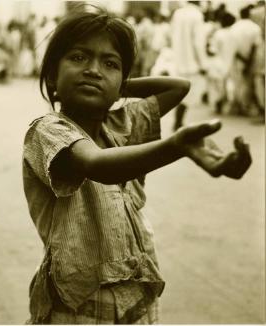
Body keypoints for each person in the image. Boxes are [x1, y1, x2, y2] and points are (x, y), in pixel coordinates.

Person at [22, 8, 252, 325]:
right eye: (78, 58)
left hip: (135, 300)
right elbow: (98, 164)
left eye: (109, 63)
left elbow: (178, 87)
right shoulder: (48, 129)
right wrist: (176, 146)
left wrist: (118, 86)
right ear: (51, 75)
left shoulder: (122, 124)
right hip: (77, 306)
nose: (93, 70)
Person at [170, 1, 209, 131]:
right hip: (193, 63)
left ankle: (178, 122)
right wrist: (203, 64)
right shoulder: (197, 15)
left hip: (179, 60)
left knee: (182, 92)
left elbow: (173, 36)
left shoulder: (178, 13)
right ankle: (178, 122)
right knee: (190, 95)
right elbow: (198, 42)